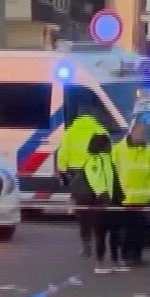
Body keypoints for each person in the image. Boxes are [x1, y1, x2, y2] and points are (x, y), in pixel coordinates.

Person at [57, 107, 110, 258]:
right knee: (98, 209)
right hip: (96, 171)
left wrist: (63, 172)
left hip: (77, 174)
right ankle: (100, 241)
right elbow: (108, 152)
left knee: (83, 212)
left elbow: (62, 154)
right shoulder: (100, 129)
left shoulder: (71, 132)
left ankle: (86, 245)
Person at [113, 119, 150, 268]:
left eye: (144, 132)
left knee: (140, 231)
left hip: (141, 199)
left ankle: (138, 256)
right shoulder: (118, 150)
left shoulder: (149, 151)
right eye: (140, 132)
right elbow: (112, 173)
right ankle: (126, 255)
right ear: (132, 132)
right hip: (124, 199)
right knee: (127, 231)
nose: (142, 135)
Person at [73, 132, 120, 269]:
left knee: (115, 232)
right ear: (102, 145)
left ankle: (114, 260)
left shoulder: (109, 159)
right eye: (108, 143)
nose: (111, 146)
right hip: (98, 203)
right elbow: (96, 181)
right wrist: (103, 196)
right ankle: (100, 262)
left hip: (111, 202)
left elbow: (113, 179)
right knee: (101, 233)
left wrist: (118, 195)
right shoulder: (93, 161)